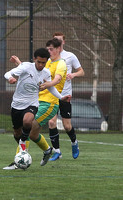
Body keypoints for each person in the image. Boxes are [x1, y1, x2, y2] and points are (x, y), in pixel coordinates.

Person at [3, 44, 67, 170]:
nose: (41, 65)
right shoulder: (26, 66)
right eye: (39, 62)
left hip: (32, 104)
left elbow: (50, 87)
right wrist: (10, 78)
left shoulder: (46, 73)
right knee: (17, 132)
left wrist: (61, 97)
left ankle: (20, 156)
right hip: (16, 105)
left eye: (44, 62)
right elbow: (7, 73)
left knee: (28, 121)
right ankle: (32, 148)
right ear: (34, 59)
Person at [48, 32, 85, 161]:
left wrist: (73, 75)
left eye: (59, 40)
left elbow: (81, 71)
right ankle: (57, 151)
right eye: (55, 40)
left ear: (63, 42)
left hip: (65, 95)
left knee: (67, 126)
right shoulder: (50, 57)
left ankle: (74, 143)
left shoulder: (70, 56)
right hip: (52, 95)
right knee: (51, 122)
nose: (57, 42)